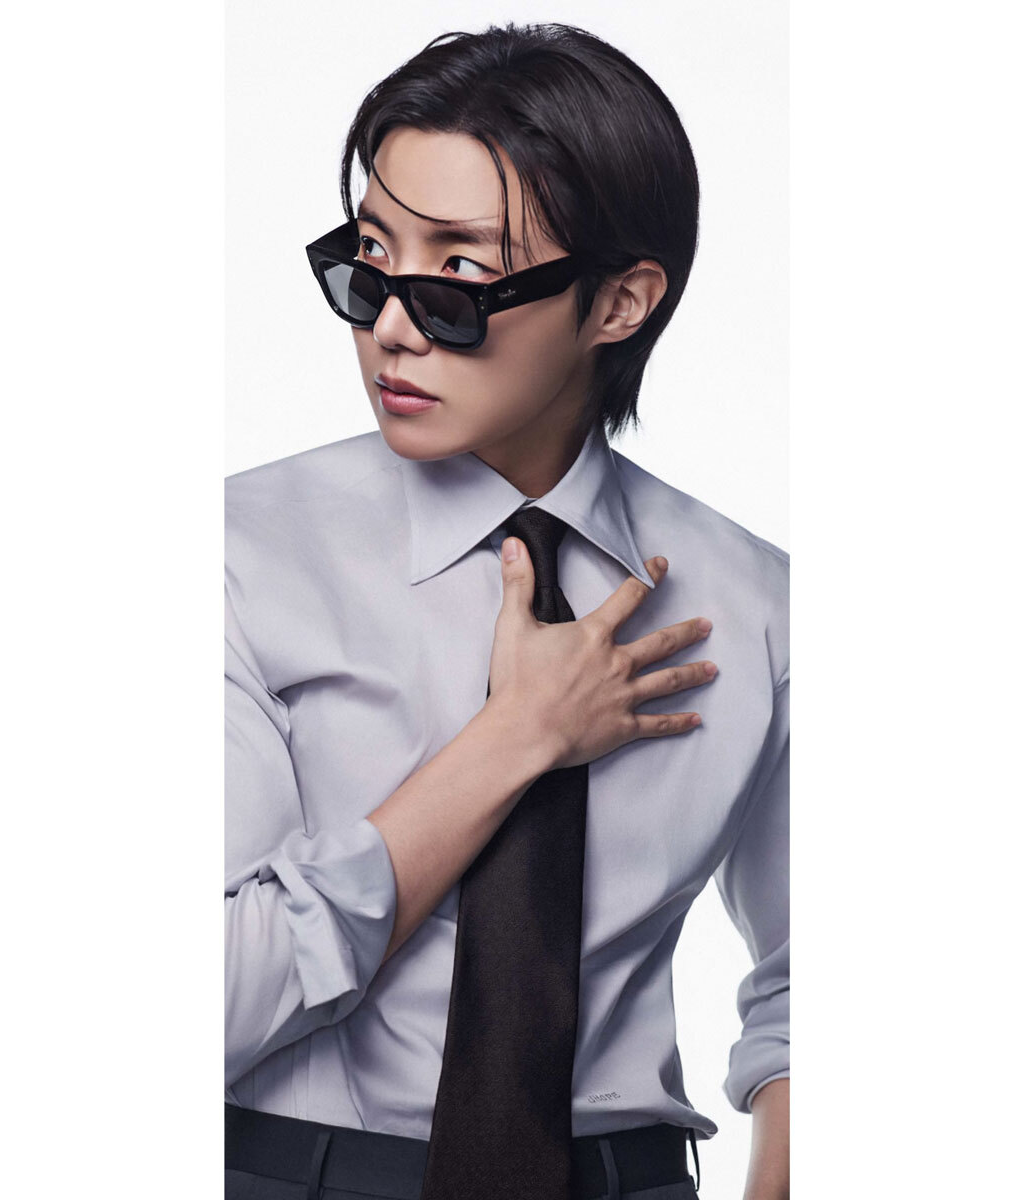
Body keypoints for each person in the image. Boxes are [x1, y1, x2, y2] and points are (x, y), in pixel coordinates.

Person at [225, 21, 788, 1200]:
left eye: (460, 277)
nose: (389, 324)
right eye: (369, 257)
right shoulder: (238, 557)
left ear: (619, 303)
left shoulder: (757, 604)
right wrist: (516, 739)